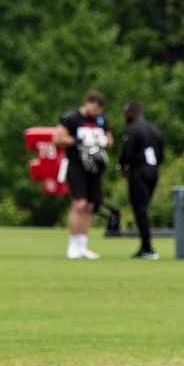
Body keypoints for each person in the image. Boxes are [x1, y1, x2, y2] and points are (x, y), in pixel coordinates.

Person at [52, 91, 113, 259]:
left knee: (90, 206)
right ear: (86, 103)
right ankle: (72, 245)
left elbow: (110, 139)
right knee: (79, 204)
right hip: (76, 165)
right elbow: (57, 138)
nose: (95, 113)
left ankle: (82, 245)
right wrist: (78, 141)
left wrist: (102, 141)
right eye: (93, 108)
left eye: (98, 110)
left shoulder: (101, 120)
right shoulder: (71, 118)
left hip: (94, 168)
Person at [118, 101, 166, 259]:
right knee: (144, 209)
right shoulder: (154, 129)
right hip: (153, 171)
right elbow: (161, 155)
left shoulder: (132, 129)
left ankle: (147, 248)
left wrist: (122, 167)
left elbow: (126, 153)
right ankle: (146, 247)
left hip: (138, 171)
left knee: (140, 210)